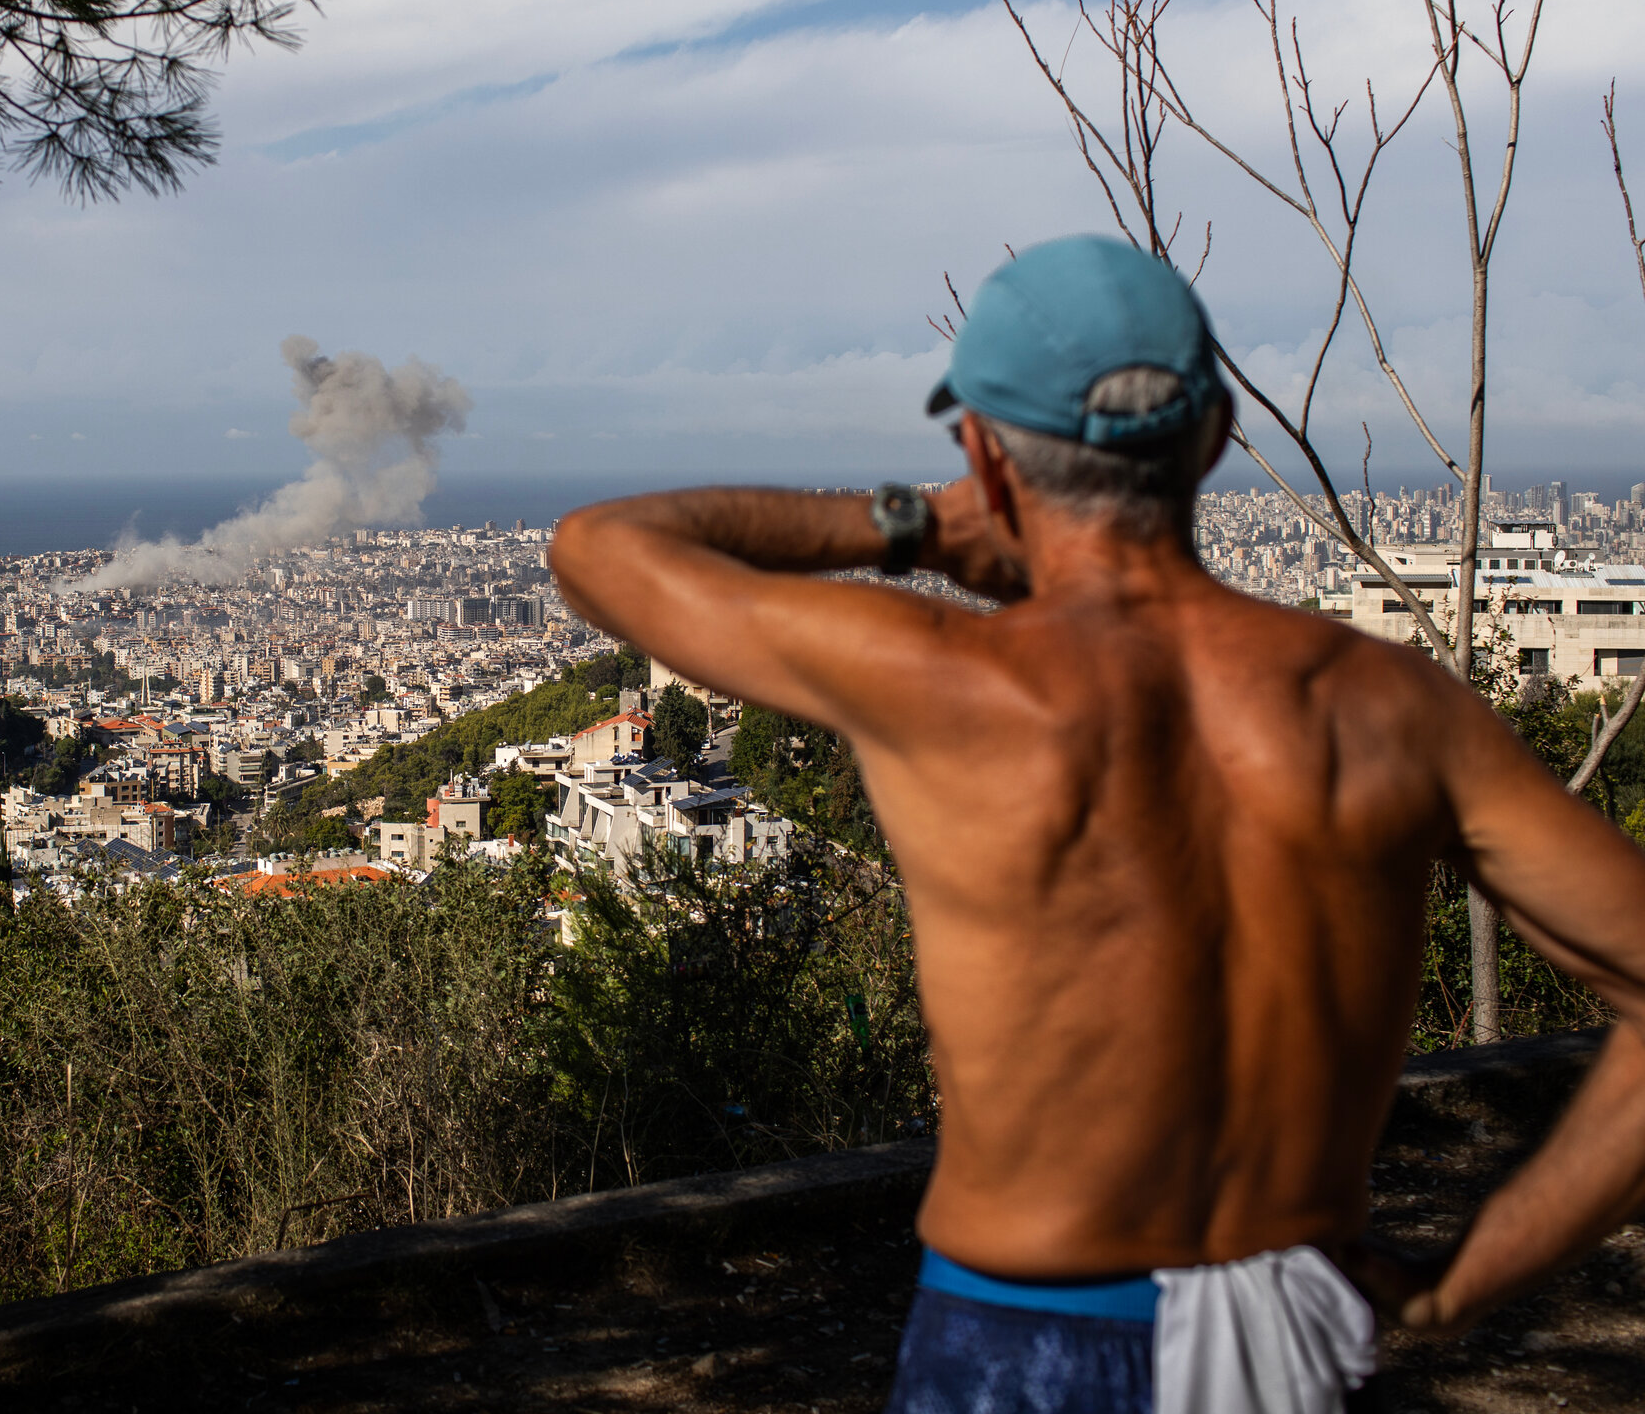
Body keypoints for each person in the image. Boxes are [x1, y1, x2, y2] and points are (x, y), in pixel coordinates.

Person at [549, 235, 1645, 1414]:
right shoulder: (1387, 707)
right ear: (1215, 436)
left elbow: (596, 549)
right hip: (1302, 1334)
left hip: (1027, 1336)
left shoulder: (946, 682)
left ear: (983, 450)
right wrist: (1463, 1285)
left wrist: (911, 522)